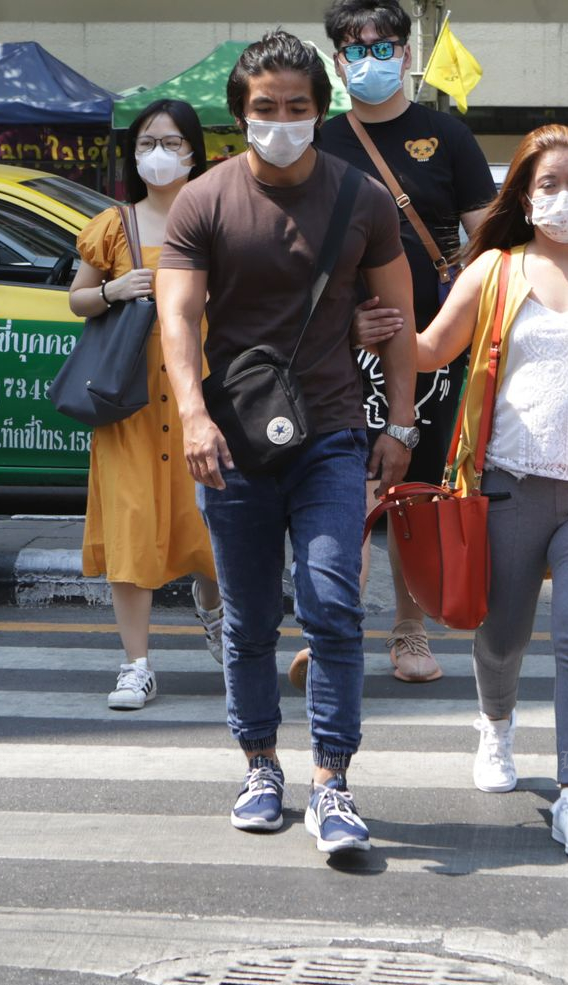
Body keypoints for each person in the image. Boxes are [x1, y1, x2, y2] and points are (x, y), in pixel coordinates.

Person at [356, 124, 568, 858]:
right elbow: (427, 350)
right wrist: (376, 328)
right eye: (548, 185)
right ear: (524, 195)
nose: (565, 197)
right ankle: (496, 726)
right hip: (506, 483)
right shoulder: (498, 271)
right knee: (502, 635)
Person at [157, 30, 417, 854]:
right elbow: (177, 318)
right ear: (241, 116)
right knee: (251, 618)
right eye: (265, 109)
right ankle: (260, 763)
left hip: (332, 433)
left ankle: (331, 781)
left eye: (297, 108)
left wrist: (400, 423)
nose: (281, 121)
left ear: (320, 109)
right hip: (231, 441)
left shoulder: (364, 199)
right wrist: (194, 416)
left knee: (334, 602)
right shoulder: (203, 201)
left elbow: (398, 317)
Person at [302, 0, 496, 684]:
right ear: (336, 60)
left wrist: (450, 318)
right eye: (355, 49)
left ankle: (411, 633)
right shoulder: (318, 140)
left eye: (384, 47)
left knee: (412, 492)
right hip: (335, 350)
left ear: (407, 55)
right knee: (341, 489)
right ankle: (335, 631)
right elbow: (291, 252)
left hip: (431, 349)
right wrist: (343, 322)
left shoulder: (447, 138)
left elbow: (490, 240)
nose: (370, 60)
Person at [68, 98, 223, 710]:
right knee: (132, 531)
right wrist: (110, 289)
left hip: (202, 397)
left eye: (172, 142)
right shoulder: (114, 225)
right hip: (129, 404)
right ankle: (136, 664)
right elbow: (77, 300)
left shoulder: (218, 218)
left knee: (212, 527)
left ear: (194, 152)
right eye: (146, 143)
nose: (158, 154)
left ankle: (216, 614)